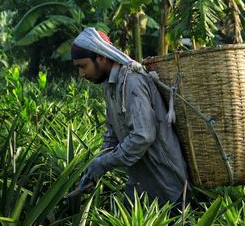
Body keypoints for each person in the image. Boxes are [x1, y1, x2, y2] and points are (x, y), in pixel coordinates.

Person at [71, 27, 190, 209]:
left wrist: (103, 164)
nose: (81, 74)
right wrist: (94, 169)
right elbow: (112, 132)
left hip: (168, 188)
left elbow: (143, 136)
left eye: (83, 66)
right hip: (141, 186)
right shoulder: (109, 85)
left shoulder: (132, 81)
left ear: (101, 58)